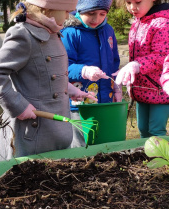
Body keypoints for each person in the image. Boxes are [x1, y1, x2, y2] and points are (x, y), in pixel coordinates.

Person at [0, 0, 97, 161]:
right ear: (47, 9)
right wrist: (19, 106)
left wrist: (73, 91)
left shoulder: (53, 33)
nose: (68, 16)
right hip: (33, 133)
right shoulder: (24, 35)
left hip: (58, 130)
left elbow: (50, 75)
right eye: (65, 11)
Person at [60, 0, 120, 146]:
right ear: (80, 10)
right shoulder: (70, 33)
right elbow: (61, 68)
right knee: (82, 146)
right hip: (80, 104)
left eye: (102, 14)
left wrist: (116, 87)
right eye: (91, 13)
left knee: (104, 143)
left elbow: (114, 61)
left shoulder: (108, 31)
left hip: (106, 101)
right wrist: (83, 70)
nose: (96, 19)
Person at [114, 0, 169, 138]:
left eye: (138, 2)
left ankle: (161, 158)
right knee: (143, 130)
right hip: (141, 89)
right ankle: (147, 158)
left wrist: (137, 65)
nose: (132, 7)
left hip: (159, 90)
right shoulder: (138, 22)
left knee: (156, 131)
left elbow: (162, 56)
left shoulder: (163, 23)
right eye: (128, 2)